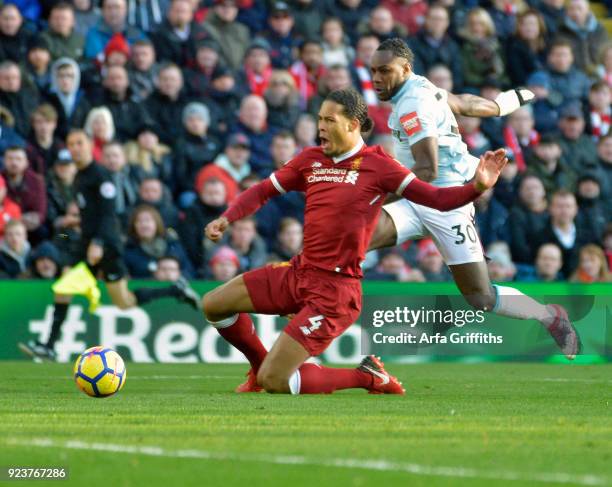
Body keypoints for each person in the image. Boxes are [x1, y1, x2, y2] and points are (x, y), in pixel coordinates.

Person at [202, 87, 510, 395]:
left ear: (352, 124)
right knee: (214, 304)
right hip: (299, 272)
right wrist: (227, 218)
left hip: (335, 293)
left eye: (329, 120)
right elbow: (263, 190)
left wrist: (476, 187)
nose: (321, 126)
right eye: (319, 119)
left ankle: (367, 376)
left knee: (277, 381)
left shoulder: (379, 166)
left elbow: (438, 199)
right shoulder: (310, 160)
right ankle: (258, 368)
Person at [368, 38, 579, 359]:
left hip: (446, 199)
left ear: (405, 69)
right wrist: (501, 106)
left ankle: (550, 316)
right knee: (354, 237)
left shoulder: (413, 106)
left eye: (385, 71)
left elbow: (427, 169)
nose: (377, 78)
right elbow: (463, 103)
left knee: (481, 297)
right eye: (373, 71)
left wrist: (374, 196)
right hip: (415, 197)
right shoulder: (421, 86)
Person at [18, 130, 200, 362]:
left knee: (121, 302)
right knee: (70, 290)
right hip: (86, 243)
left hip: (105, 245)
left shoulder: (101, 175)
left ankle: (175, 289)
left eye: (79, 143)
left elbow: (108, 213)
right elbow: (92, 212)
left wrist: (98, 243)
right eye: (71, 144)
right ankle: (49, 346)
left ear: (90, 145)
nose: (75, 148)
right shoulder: (80, 176)